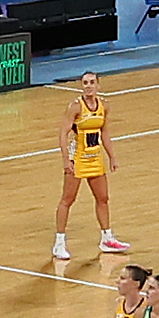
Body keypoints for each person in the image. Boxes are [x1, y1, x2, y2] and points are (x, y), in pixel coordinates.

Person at [48, 80, 121, 272]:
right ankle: (59, 242)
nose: (88, 86)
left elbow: (104, 132)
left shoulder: (104, 105)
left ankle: (107, 238)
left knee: (103, 198)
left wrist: (112, 156)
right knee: (67, 199)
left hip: (95, 156)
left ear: (98, 85)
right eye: (85, 83)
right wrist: (66, 160)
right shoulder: (74, 107)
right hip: (77, 157)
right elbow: (63, 134)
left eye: (91, 83)